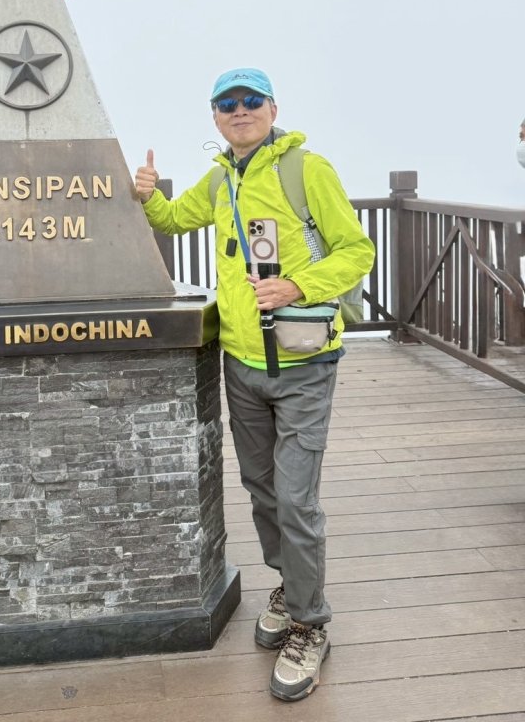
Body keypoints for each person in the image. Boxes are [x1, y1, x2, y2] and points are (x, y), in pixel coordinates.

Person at [134, 67, 375, 702]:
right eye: (226, 103)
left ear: (272, 108)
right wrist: (148, 195)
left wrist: (298, 286)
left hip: (302, 362)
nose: (239, 111)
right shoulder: (219, 179)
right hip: (241, 362)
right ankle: (291, 587)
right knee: (264, 491)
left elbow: (356, 251)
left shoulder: (306, 169)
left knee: (296, 498)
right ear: (214, 117)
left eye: (251, 100)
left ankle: (311, 623)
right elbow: (177, 218)